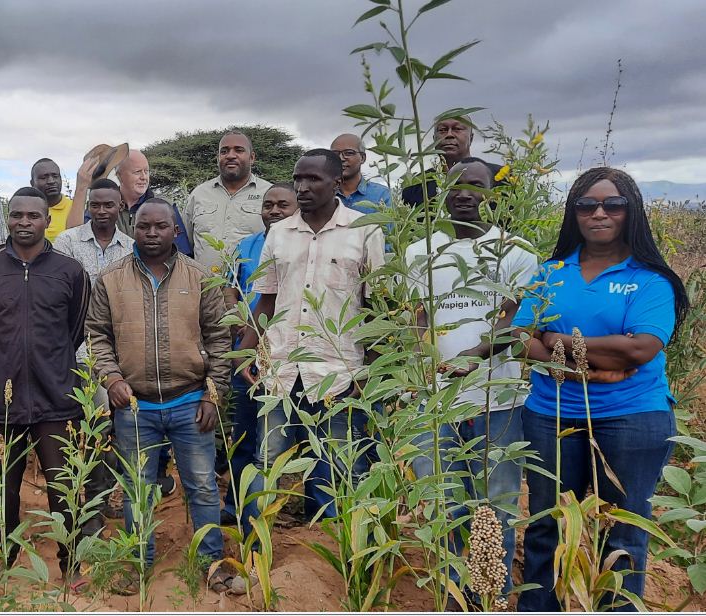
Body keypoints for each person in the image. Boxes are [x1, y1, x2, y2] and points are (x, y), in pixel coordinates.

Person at [512, 167, 686, 612]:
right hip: (550, 413)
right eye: (587, 205)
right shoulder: (551, 272)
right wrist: (585, 371)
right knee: (545, 526)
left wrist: (558, 341)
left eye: (613, 204)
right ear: (574, 213)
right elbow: (518, 337)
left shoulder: (650, 279)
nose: (599, 213)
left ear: (632, 211)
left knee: (623, 531)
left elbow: (640, 348)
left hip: (633, 417)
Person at [86, 199, 239, 594]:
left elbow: (220, 339)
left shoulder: (201, 277)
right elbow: (97, 334)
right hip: (133, 404)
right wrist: (111, 378)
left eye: (160, 227)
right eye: (143, 226)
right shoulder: (109, 278)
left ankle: (211, 562)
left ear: (176, 231)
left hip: (190, 401)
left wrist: (213, 394)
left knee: (203, 485)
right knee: (138, 488)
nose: (151, 233)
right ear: (133, 229)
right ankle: (139, 562)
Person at [404, 158, 537, 603]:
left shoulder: (516, 251)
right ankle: (455, 594)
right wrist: (425, 361)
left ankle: (491, 594)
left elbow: (517, 321)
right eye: (454, 186)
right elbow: (418, 317)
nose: (463, 193)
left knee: (496, 499)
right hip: (434, 400)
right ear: (440, 192)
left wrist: (473, 357)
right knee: (442, 499)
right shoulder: (420, 250)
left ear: (493, 194)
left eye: (475, 185)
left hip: (497, 400)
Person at [239, 149, 386, 519]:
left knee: (338, 462)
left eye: (312, 179)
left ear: (337, 182)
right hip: (281, 368)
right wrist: (246, 352)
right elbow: (266, 300)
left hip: (338, 372)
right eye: (298, 179)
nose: (302, 187)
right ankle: (256, 546)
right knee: (268, 459)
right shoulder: (279, 233)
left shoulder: (365, 231)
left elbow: (377, 309)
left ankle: (335, 552)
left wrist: (371, 372)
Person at [0, 187, 90, 580]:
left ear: (46, 220)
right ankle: (0, 559)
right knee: (1, 485)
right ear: (8, 218)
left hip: (56, 394)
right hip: (2, 397)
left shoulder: (70, 272)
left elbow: (74, 331)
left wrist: (48, 362)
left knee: (63, 486)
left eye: (33, 216)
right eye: (17, 215)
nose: (25, 223)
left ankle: (70, 564)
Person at [54, 178, 135, 529]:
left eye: (109, 204)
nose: (102, 210)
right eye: (95, 204)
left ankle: (112, 497)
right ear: (88, 206)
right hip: (78, 349)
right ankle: (88, 501)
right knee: (88, 426)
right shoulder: (67, 243)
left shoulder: (133, 248)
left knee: (119, 427)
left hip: (123, 351)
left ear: (120, 206)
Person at [222, 182, 297, 527]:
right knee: (244, 432)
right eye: (269, 205)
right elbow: (228, 287)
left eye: (283, 205)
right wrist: (238, 321)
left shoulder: (299, 247)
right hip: (248, 350)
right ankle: (236, 504)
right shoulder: (246, 246)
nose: (275, 211)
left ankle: (279, 510)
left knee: (277, 440)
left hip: (286, 355)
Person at [184, 131, 268, 271]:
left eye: (239, 150)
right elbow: (187, 245)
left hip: (251, 288)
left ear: (252, 158)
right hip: (205, 288)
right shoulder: (198, 194)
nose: (230, 155)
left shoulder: (269, 194)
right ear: (218, 158)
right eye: (224, 151)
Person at [402, 116, 502, 206]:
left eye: (457, 129)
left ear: (471, 138)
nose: (449, 134)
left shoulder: (500, 177)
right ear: (434, 139)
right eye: (442, 130)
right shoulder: (416, 185)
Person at [111, 149, 194, 256]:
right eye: (137, 172)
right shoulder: (103, 208)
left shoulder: (166, 207)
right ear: (119, 176)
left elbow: (182, 253)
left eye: (146, 171)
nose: (143, 177)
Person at [331, 133, 392, 214]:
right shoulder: (323, 193)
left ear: (362, 158)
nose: (341, 158)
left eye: (348, 153)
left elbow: (387, 225)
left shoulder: (381, 194)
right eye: (335, 154)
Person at [29, 158, 74, 241]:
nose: (51, 181)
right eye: (43, 177)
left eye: (55, 176)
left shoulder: (75, 209)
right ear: (32, 183)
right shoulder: (26, 211)